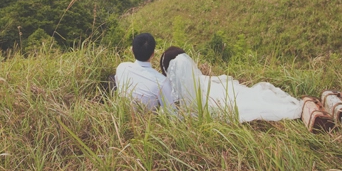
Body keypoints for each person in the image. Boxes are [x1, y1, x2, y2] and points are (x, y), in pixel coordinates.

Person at [160, 46, 303, 122]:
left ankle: (296, 109)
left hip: (215, 101)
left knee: (249, 105)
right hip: (217, 95)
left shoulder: (172, 92)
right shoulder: (198, 80)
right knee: (250, 98)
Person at [115, 33, 175, 111]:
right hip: (148, 122)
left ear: (132, 50)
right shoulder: (162, 82)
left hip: (121, 117)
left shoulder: (121, 68)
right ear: (153, 54)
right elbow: (172, 112)